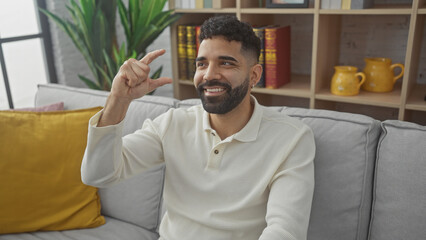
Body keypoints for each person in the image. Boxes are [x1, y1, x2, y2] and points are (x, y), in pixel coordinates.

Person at [81, 15, 315, 240]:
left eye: (226, 63)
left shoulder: (292, 138)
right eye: (201, 64)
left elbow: (285, 231)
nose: (209, 75)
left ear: (254, 75)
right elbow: (98, 174)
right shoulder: (172, 123)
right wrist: (118, 100)